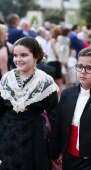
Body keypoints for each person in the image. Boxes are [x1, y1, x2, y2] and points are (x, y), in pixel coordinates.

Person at [0, 37, 59, 170]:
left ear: (36, 57)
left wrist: (55, 148)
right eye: (15, 55)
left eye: (24, 55)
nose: (18, 59)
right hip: (7, 133)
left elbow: (54, 116)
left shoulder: (46, 81)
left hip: (34, 135)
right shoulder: (6, 78)